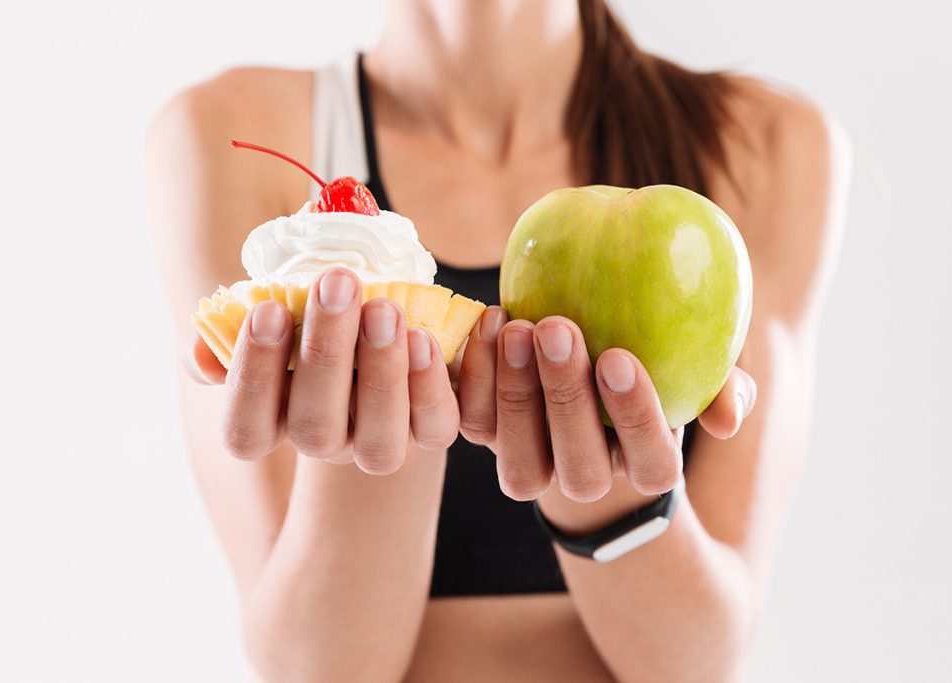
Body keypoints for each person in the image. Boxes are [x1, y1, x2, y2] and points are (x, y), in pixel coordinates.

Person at [146, 0, 849, 680]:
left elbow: (703, 659)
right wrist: (378, 442)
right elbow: (313, 668)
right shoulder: (226, 130)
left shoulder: (763, 143)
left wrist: (601, 488)